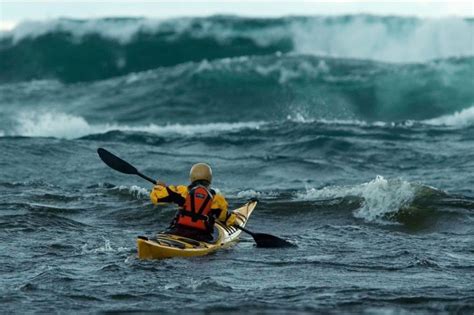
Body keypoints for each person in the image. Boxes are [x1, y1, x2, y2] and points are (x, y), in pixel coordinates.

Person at [150, 163, 236, 242]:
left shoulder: (182, 192)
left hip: (178, 231)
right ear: (209, 179)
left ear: (192, 177)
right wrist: (233, 220)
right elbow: (225, 218)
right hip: (201, 237)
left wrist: (159, 186)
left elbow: (156, 197)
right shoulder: (216, 199)